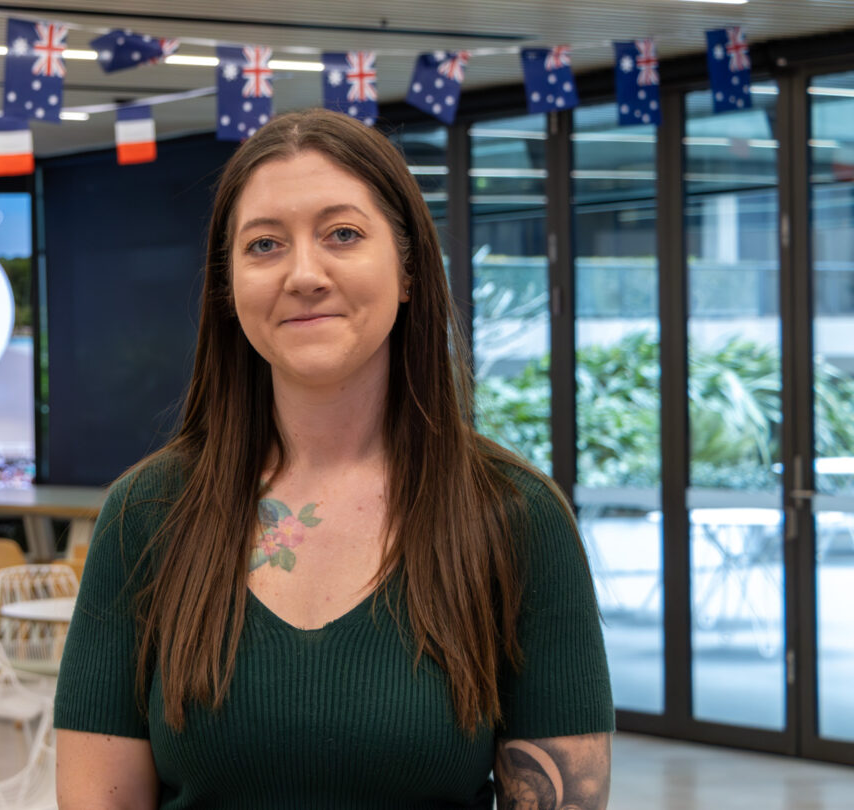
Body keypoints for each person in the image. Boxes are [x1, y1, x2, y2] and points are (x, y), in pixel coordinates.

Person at [54, 108, 614, 809]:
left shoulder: (514, 516)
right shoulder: (148, 513)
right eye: (264, 246)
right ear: (228, 290)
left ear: (409, 270)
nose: (303, 274)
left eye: (342, 235)